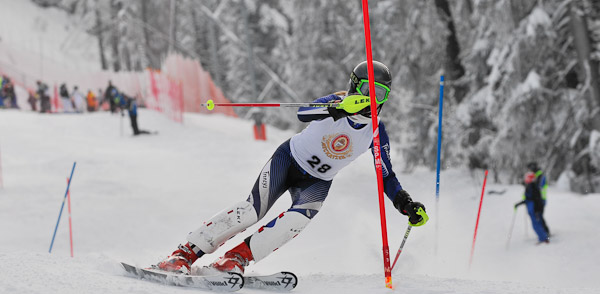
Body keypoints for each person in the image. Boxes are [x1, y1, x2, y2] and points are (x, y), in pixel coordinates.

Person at [156, 60, 429, 275]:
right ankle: (185, 253)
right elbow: (303, 113)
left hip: (318, 182)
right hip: (288, 161)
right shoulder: (335, 100)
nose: (373, 99)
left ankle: (236, 258)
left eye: (380, 94)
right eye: (367, 90)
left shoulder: (376, 131)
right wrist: (338, 109)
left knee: (297, 221)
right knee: (253, 210)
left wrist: (405, 203)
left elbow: (386, 176)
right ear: (355, 86)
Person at [515, 166, 550, 244]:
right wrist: (520, 203)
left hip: (535, 209)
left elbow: (534, 199)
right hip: (534, 208)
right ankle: (544, 236)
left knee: (536, 224)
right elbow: (528, 198)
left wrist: (537, 210)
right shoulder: (531, 186)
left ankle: (544, 238)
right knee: (538, 223)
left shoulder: (532, 187)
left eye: (527, 178)